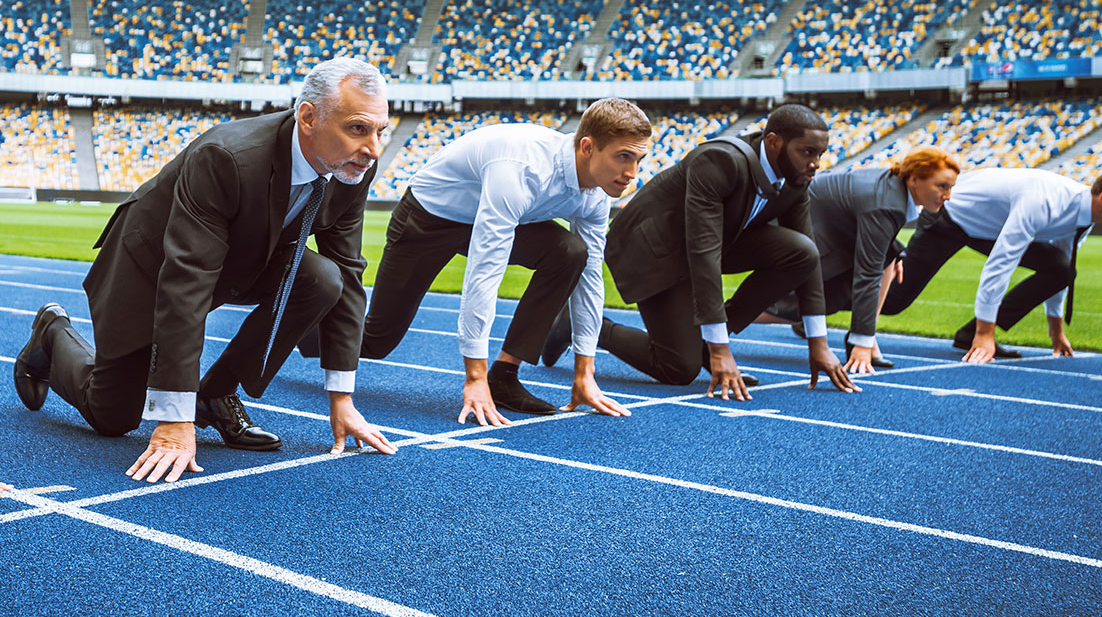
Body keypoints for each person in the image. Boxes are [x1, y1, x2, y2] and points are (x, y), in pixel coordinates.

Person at [13, 57, 397, 484]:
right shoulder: (227, 157)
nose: (373, 149)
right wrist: (174, 419)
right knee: (112, 417)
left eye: (381, 130)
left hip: (247, 256)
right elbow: (187, 278)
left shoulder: (353, 167)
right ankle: (53, 333)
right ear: (308, 117)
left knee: (324, 279)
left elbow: (346, 268)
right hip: (152, 262)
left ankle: (214, 394)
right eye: (359, 128)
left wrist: (341, 398)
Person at [359, 97, 653, 427]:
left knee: (572, 253)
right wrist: (473, 377)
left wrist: (584, 373)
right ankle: (303, 324)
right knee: (376, 340)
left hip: (486, 215)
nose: (632, 173)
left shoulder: (597, 193)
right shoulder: (522, 169)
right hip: (429, 219)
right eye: (623, 157)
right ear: (587, 147)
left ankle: (505, 375)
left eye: (639, 159)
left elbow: (589, 279)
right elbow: (485, 271)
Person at [591, 104, 860, 399]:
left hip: (713, 242)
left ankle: (705, 343)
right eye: (807, 152)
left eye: (819, 154)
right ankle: (584, 325)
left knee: (802, 252)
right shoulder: (719, 160)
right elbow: (703, 251)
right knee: (678, 368)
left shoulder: (794, 180)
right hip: (651, 248)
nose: (815, 163)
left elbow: (809, 261)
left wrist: (818, 344)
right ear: (773, 142)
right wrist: (721, 349)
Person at [883, 163, 1102, 363]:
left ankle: (967, 334)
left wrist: (1055, 332)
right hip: (949, 216)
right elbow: (1001, 263)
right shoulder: (1044, 202)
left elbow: (1062, 270)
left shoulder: (1086, 218)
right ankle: (843, 291)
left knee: (1061, 267)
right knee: (895, 301)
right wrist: (985, 334)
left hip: (988, 227)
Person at [757, 147, 961, 374]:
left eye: (951, 187)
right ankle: (723, 319)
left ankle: (866, 336)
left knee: (886, 259)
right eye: (942, 186)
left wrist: (893, 252)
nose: (948, 196)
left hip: (825, 229)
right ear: (914, 180)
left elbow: (875, 233)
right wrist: (861, 346)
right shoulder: (887, 202)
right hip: (799, 230)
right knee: (816, 302)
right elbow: (868, 273)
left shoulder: (893, 187)